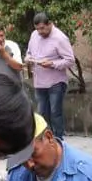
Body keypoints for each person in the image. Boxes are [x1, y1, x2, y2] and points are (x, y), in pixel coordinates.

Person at [26, 11, 75, 139]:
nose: (40, 32)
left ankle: (59, 140)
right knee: (42, 113)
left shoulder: (60, 38)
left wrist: (52, 63)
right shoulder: (34, 35)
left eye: (42, 28)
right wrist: (28, 58)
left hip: (56, 82)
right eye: (37, 29)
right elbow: (29, 52)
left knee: (55, 113)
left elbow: (70, 60)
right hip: (39, 82)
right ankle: (46, 140)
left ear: (50, 24)